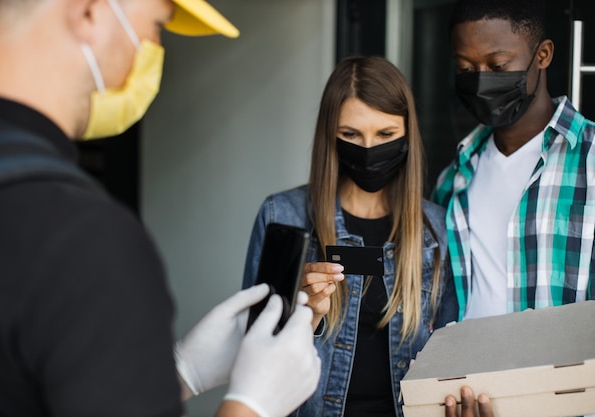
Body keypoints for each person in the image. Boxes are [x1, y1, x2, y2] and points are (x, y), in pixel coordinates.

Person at [0, 1, 320, 416]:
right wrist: (254, 405)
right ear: (89, 12)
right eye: (155, 28)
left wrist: (179, 373)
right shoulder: (82, 240)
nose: (151, 52)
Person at [242, 55, 458, 417]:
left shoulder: (436, 229)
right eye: (351, 135)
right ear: (331, 135)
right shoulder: (282, 217)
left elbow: (450, 356)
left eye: (386, 135)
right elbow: (255, 356)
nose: (369, 149)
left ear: (407, 133)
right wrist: (305, 318)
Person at [432, 0, 595, 414]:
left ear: (542, 55)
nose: (481, 80)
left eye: (498, 65)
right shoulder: (453, 179)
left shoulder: (591, 161)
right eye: (466, 69)